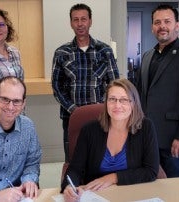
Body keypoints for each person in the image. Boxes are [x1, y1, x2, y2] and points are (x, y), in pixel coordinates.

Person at [132, 5, 179, 178]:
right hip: (146, 135)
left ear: (177, 25)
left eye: (167, 21)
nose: (162, 26)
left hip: (173, 137)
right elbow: (139, 94)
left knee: (175, 183)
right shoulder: (147, 56)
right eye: (157, 22)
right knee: (149, 179)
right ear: (152, 27)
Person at [61, 78, 159, 202]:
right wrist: (69, 186)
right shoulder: (89, 130)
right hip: (96, 196)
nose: (117, 105)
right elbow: (75, 169)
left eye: (124, 100)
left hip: (133, 194)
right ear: (106, 102)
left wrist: (113, 178)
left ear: (133, 103)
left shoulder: (146, 128)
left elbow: (151, 171)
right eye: (112, 99)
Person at [51, 3, 119, 161]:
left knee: (101, 158)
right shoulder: (62, 52)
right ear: (71, 23)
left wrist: (103, 107)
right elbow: (57, 87)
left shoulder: (105, 51)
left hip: (101, 116)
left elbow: (114, 84)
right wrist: (74, 110)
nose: (80, 24)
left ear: (90, 21)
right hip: (71, 117)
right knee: (73, 158)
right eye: (76, 20)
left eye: (83, 19)